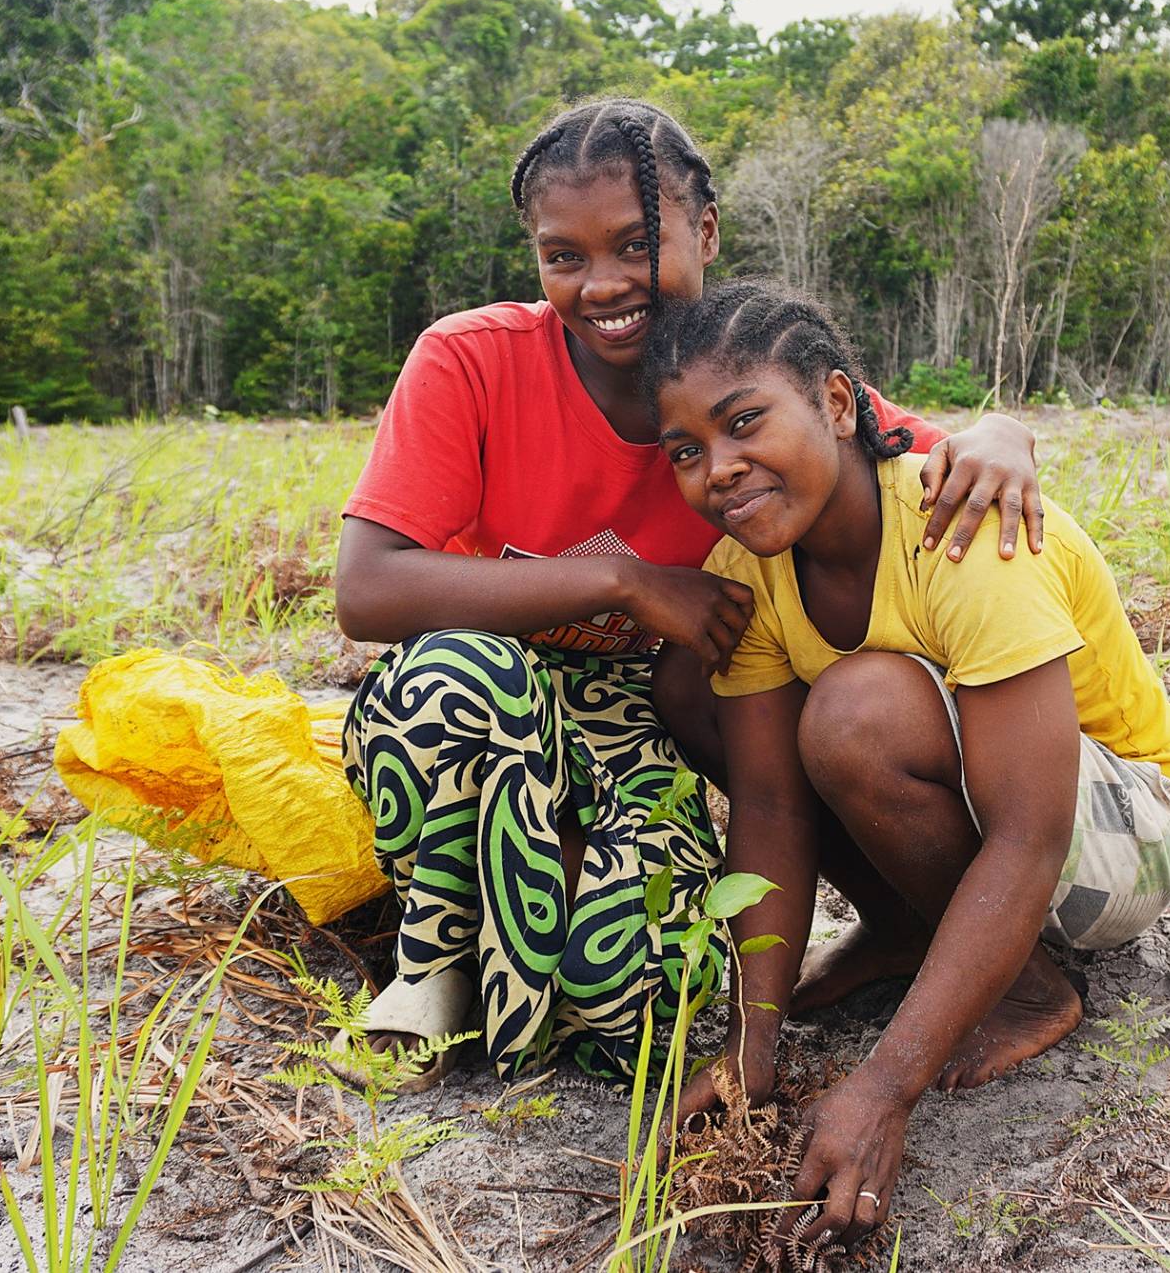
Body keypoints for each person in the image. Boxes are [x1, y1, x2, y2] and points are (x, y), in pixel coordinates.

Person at [331, 99, 1046, 1088]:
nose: (603, 285)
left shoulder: (738, 382)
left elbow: (908, 447)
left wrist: (1007, 431)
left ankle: (583, 894)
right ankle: (432, 954)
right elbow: (366, 589)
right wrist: (626, 579)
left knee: (637, 1010)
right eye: (563, 256)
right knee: (461, 670)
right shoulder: (470, 360)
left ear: (703, 231)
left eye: (635, 243)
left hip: (639, 717)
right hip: (487, 698)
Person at [643, 281, 1170, 1248]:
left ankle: (1031, 987)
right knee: (716, 690)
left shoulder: (960, 523)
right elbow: (773, 810)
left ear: (835, 401)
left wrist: (884, 1086)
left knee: (856, 712)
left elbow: (1032, 833)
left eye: (744, 423)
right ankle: (908, 927)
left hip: (1125, 832)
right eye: (688, 451)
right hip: (1000, 819)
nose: (720, 470)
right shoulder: (752, 571)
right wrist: (753, 1042)